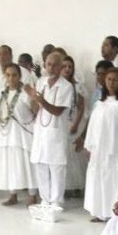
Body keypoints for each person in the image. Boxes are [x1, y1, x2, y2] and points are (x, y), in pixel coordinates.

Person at [83, 67, 118, 221]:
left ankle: (116, 212)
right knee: (100, 178)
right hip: (99, 149)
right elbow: (93, 126)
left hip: (116, 149)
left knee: (115, 179)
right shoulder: (100, 102)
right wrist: (89, 145)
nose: (111, 83)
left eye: (115, 80)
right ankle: (100, 211)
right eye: (109, 79)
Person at [25, 51, 74, 210]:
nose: (51, 68)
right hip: (40, 131)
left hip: (56, 133)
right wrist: (32, 99)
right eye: (48, 64)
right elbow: (35, 108)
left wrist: (40, 99)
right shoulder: (41, 82)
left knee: (56, 167)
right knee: (40, 165)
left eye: (55, 65)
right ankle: (45, 199)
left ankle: (56, 201)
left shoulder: (66, 86)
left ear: (61, 67)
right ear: (45, 65)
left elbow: (58, 111)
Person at [0, 63, 38, 206]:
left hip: (21, 135)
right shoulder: (0, 93)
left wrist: (33, 97)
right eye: (8, 75)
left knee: (25, 164)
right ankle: (13, 194)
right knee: (10, 164)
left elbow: (35, 111)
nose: (11, 78)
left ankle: (32, 194)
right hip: (4, 134)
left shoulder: (25, 94)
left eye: (14, 75)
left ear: (20, 76)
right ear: (5, 76)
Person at [61, 55, 88, 196]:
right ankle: (65, 187)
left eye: (69, 67)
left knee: (75, 155)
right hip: (61, 123)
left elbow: (82, 107)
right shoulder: (57, 85)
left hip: (75, 122)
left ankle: (77, 186)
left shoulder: (78, 86)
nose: (67, 69)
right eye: (64, 66)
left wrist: (76, 124)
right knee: (63, 155)